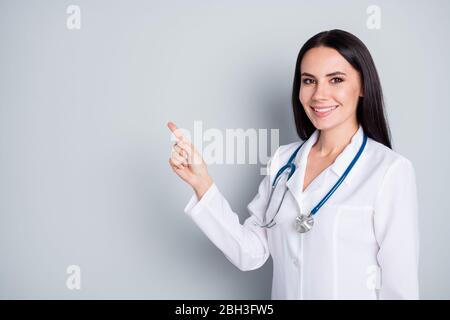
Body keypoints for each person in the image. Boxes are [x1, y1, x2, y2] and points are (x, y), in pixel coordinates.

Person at [167, 29, 419, 300]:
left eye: (336, 80)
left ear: (363, 87)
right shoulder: (283, 162)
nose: (319, 95)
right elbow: (250, 253)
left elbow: (399, 287)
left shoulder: (389, 170)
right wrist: (201, 183)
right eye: (309, 80)